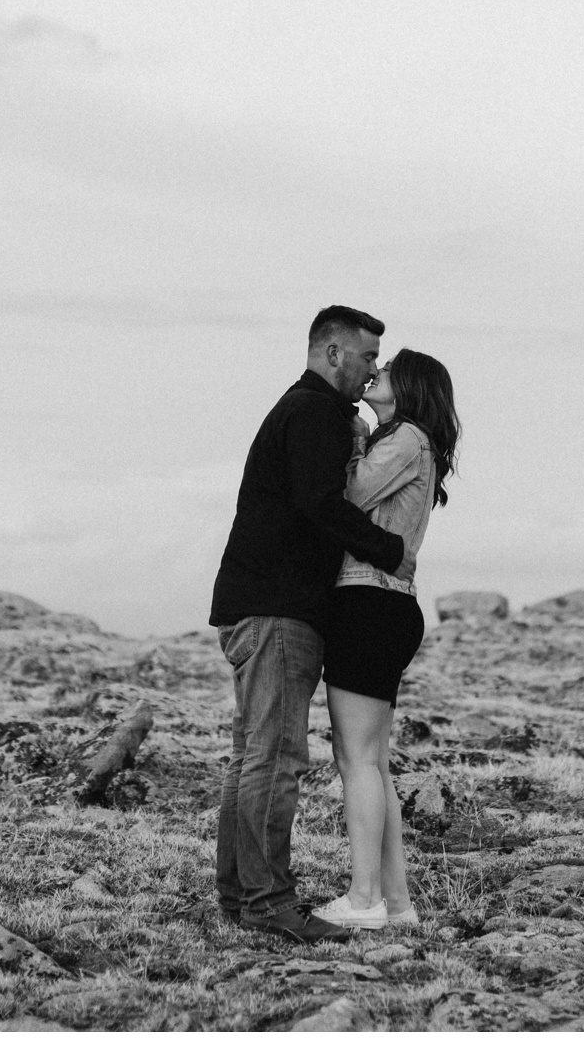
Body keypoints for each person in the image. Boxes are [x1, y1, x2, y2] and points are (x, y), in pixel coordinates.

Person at [210, 305, 408, 944]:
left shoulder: (299, 410)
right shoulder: (318, 413)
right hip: (279, 609)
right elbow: (319, 503)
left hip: (255, 602)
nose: (372, 368)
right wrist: (387, 549)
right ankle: (268, 903)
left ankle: (243, 896)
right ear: (332, 354)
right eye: (367, 357)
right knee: (275, 757)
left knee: (252, 756)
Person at [310, 349, 459, 931]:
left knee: (357, 760)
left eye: (388, 369)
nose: (375, 374)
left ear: (412, 387)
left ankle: (363, 899)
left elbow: (344, 497)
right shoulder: (412, 441)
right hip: (388, 605)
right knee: (372, 762)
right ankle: (396, 904)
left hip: (368, 601)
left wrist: (350, 435)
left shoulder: (403, 440)